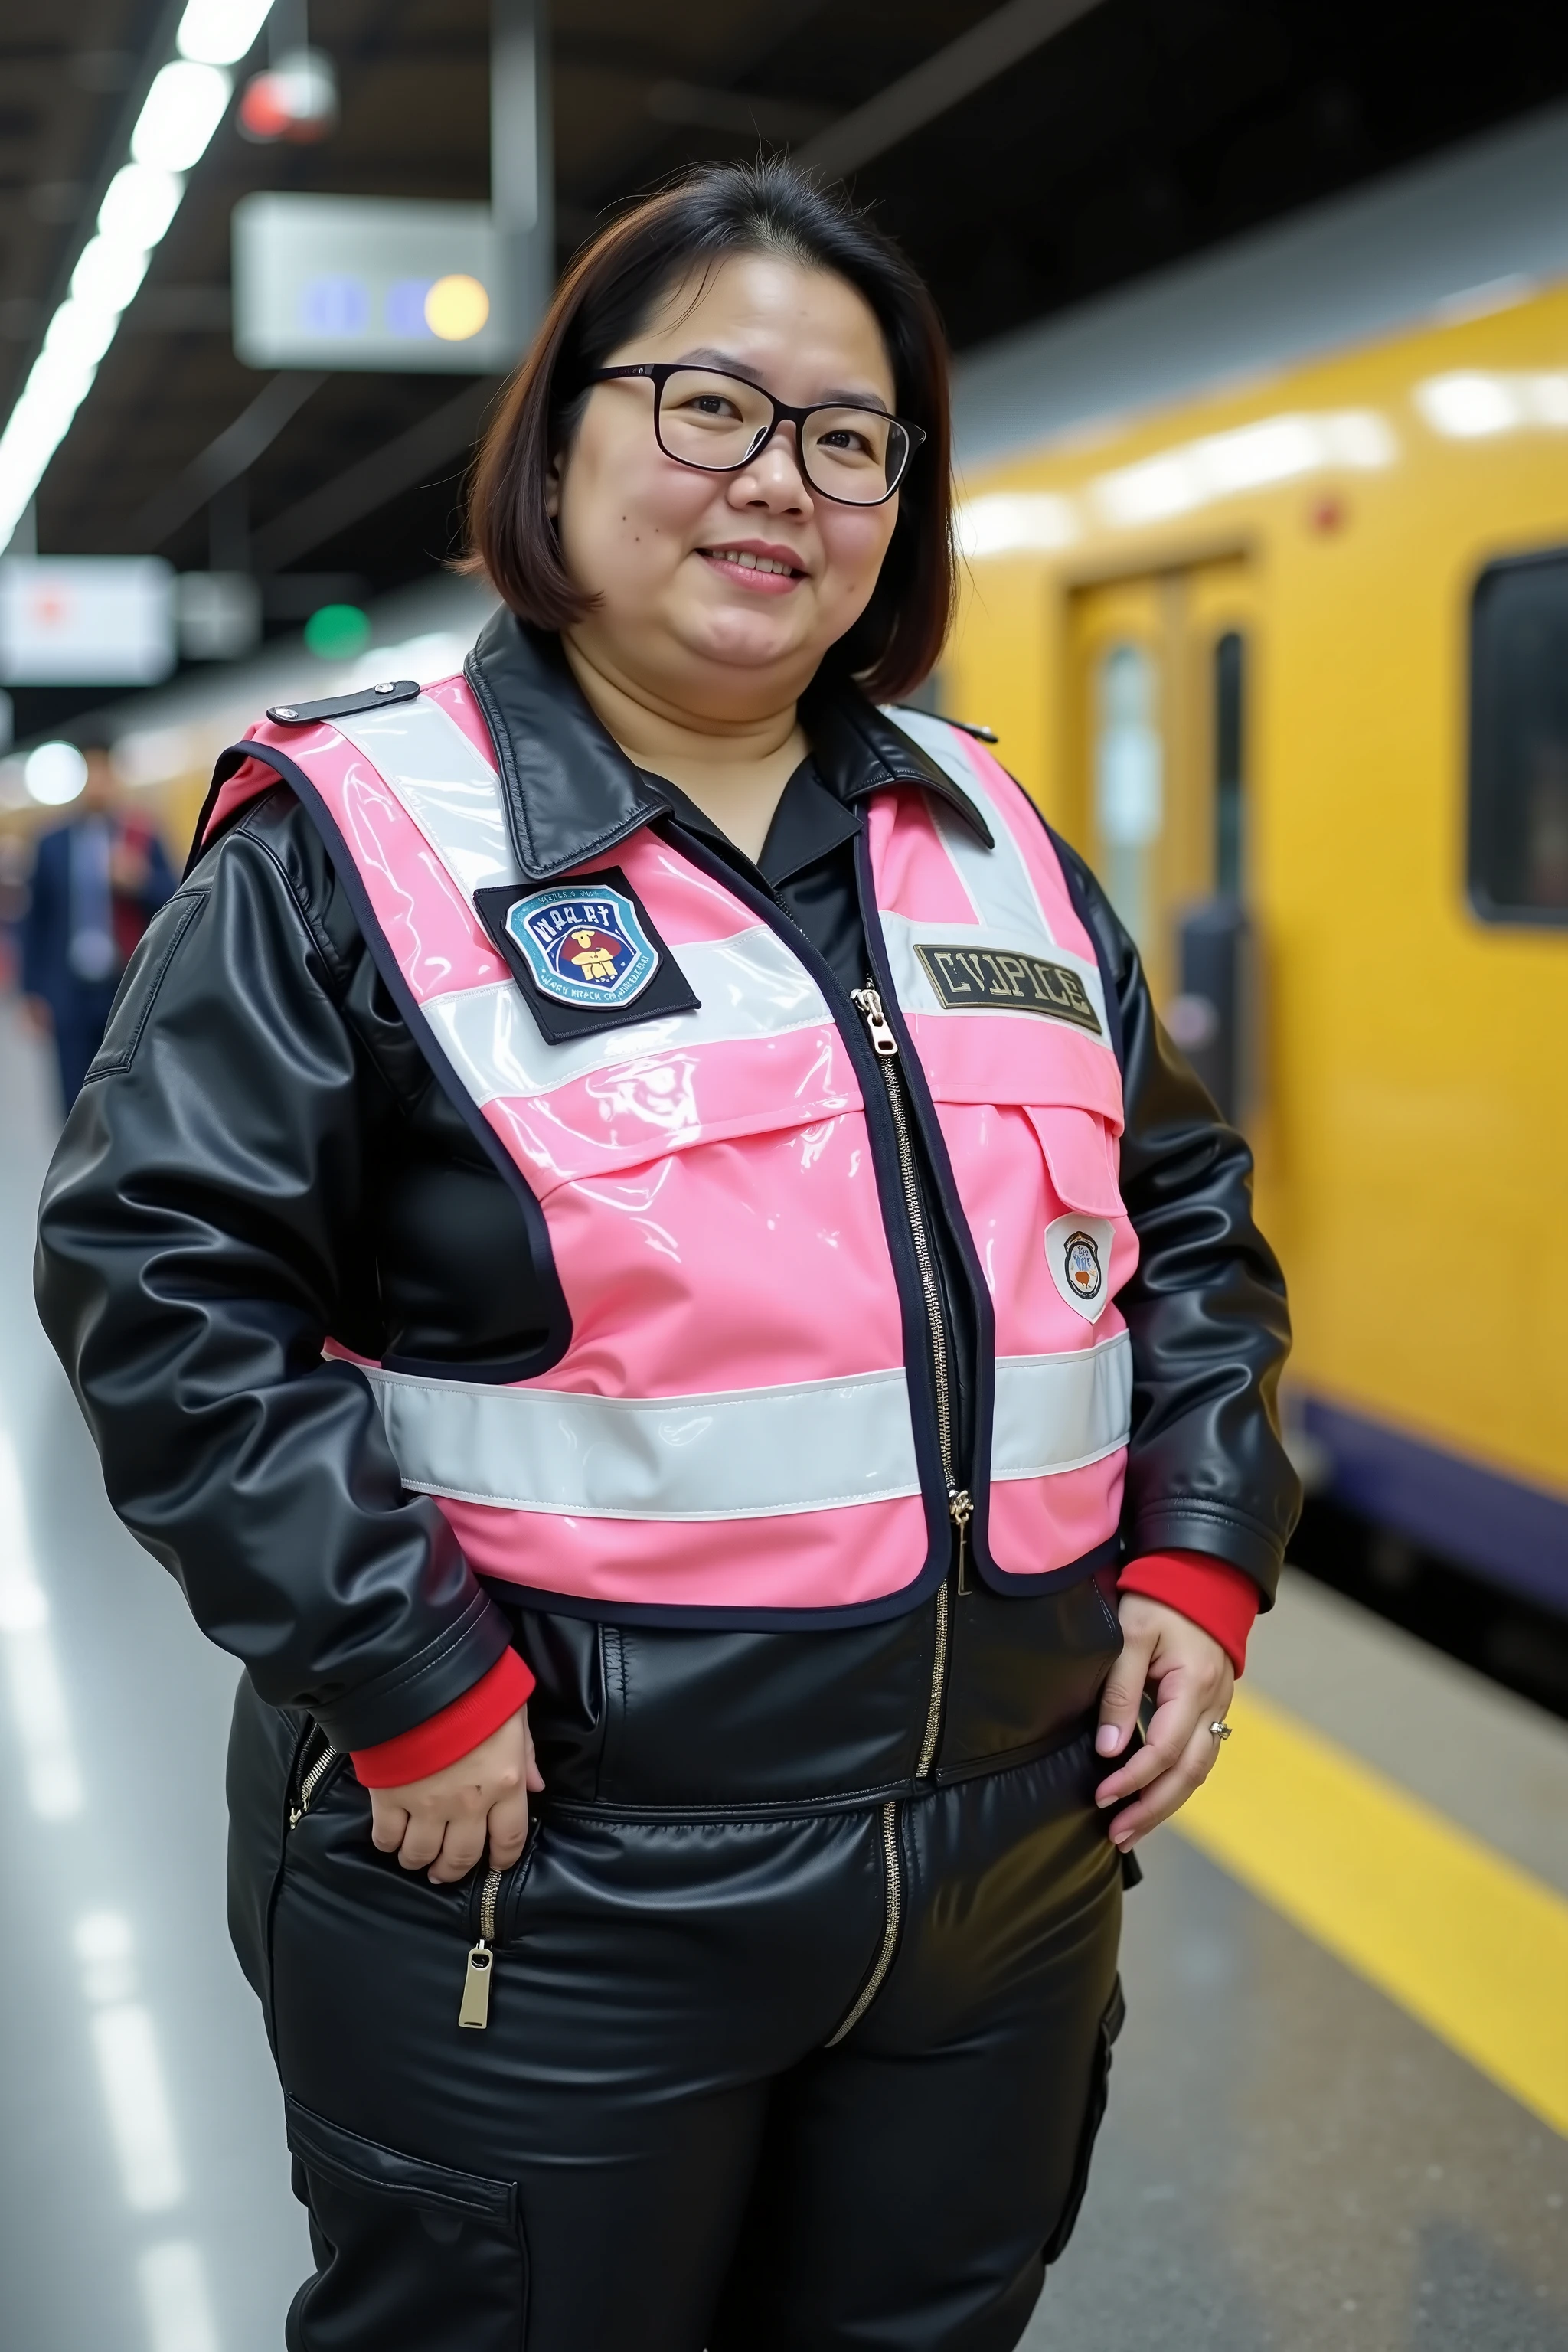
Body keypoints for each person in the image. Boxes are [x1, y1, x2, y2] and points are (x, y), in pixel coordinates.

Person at [35, 161, 1298, 2352]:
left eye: (848, 436)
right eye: (710, 405)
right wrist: (408, 1680)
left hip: (1002, 1872)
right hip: (550, 1876)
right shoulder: (351, 842)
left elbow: (1178, 1212)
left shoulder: (989, 836)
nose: (779, 483)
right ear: (559, 443)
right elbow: (164, 1284)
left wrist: (1201, 1548)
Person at [20, 743, 175, 1109]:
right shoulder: (50, 843)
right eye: (91, 773)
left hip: (128, 988)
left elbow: (177, 897)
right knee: (73, 1099)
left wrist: (140, 881)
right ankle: (78, 1164)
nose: (98, 784)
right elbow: (35, 921)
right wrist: (32, 992)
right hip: (69, 990)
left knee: (128, 1091)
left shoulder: (142, 836)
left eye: (105, 773)